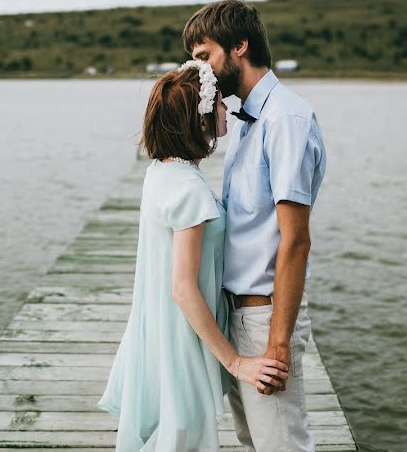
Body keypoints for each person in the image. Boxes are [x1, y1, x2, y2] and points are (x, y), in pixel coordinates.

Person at [98, 59, 289, 451]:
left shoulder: (162, 172)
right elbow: (184, 288)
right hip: (185, 339)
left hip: (162, 329)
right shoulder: (188, 191)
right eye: (218, 102)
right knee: (185, 435)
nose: (225, 108)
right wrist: (235, 362)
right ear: (199, 119)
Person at [183, 0, 327, 452]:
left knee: (282, 446)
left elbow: (296, 240)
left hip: (265, 319)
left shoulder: (284, 119)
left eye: (204, 55)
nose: (199, 69)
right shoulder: (246, 119)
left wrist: (279, 342)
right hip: (234, 313)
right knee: (252, 443)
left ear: (239, 45)